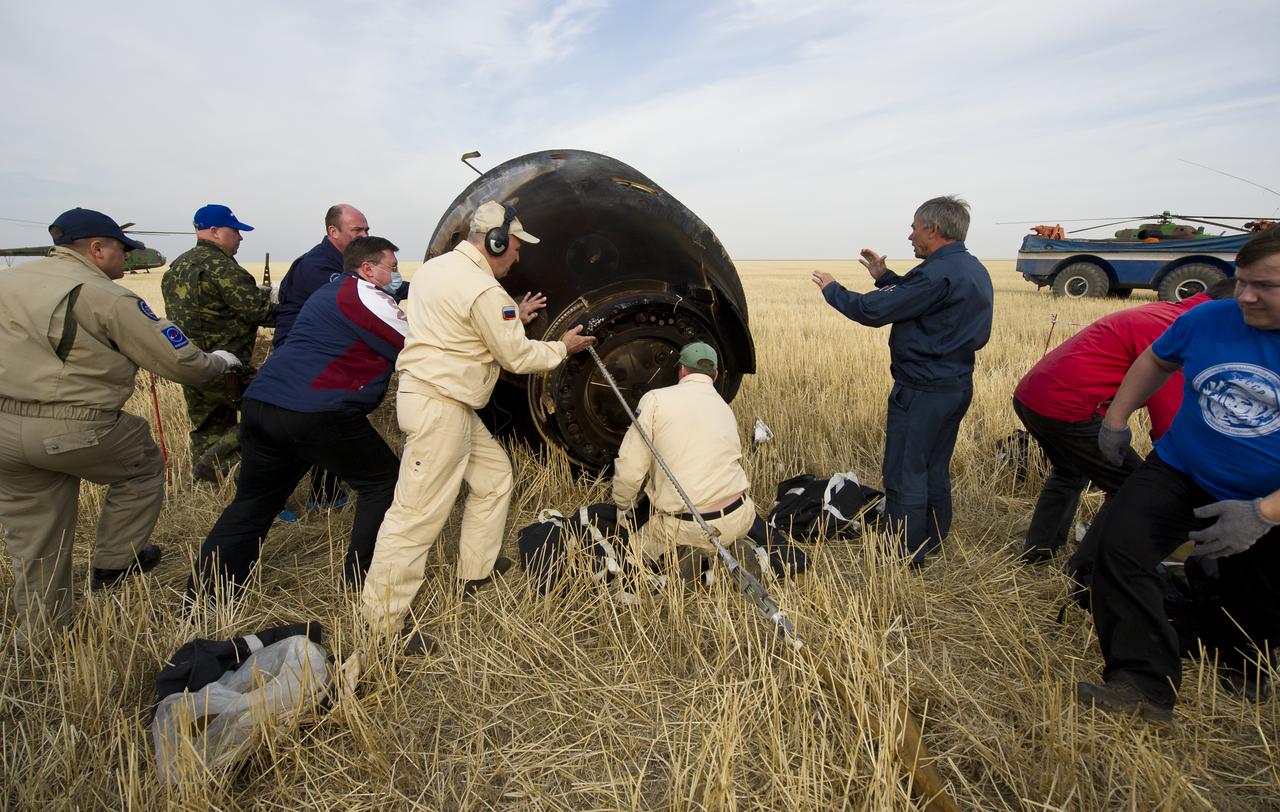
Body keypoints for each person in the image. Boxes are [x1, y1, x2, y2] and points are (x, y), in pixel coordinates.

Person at [359, 200, 595, 649]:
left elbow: (455, 324)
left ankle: (476, 571)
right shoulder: (484, 291)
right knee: (413, 519)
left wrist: (510, 319)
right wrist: (563, 347)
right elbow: (519, 358)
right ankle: (381, 629)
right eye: (515, 247)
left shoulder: (434, 269)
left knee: (493, 478)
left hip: (442, 401)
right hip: (440, 408)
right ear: (495, 241)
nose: (518, 257)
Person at [0, 208, 237, 646]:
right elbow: (178, 360)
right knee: (144, 462)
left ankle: (39, 633)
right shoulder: (104, 295)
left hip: (5, 427)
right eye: (120, 252)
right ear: (97, 249)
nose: (124, 260)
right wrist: (218, 363)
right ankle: (116, 561)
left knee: (34, 536)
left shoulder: (8, 281)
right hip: (74, 425)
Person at [1076, 228, 1280, 722]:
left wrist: (1263, 513)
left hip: (1266, 496)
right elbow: (1156, 359)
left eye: (1266, 286)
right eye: (1241, 281)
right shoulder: (1211, 318)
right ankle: (1141, 683)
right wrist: (1116, 417)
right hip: (1179, 468)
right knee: (1115, 549)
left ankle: (1247, 669)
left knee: (1254, 592)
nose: (1246, 296)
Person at [189, 237, 408, 596]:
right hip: (315, 410)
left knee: (254, 504)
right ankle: (362, 580)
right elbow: (415, 347)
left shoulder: (329, 292)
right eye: (393, 267)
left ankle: (207, 592)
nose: (397, 275)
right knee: (382, 482)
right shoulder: (367, 296)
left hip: (263, 403)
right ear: (368, 269)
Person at [812, 196, 993, 564]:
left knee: (905, 472)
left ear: (934, 229)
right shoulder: (970, 269)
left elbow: (871, 311)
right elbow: (920, 300)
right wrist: (885, 277)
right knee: (934, 469)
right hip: (955, 385)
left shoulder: (937, 273)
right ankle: (933, 541)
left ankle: (904, 555)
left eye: (914, 227)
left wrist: (833, 289)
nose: (910, 236)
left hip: (923, 390)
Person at [1013, 282, 1233, 563]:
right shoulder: (1180, 331)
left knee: (1069, 471)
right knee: (1130, 488)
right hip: (1069, 409)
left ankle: (1038, 553)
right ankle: (1088, 572)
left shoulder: (1165, 312)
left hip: (1031, 397)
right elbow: (1168, 416)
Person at [272, 205, 406, 514]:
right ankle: (277, 496)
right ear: (333, 232)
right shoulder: (316, 267)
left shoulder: (345, 264)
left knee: (329, 421)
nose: (365, 234)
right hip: (307, 358)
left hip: (328, 356)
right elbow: (359, 306)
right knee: (309, 426)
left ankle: (325, 493)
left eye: (366, 229)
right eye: (357, 231)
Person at [611, 342, 755, 573]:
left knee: (629, 555)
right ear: (715, 375)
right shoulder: (724, 408)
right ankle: (727, 551)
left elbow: (630, 467)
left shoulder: (655, 400)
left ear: (682, 371)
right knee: (721, 533)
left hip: (688, 524)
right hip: (740, 516)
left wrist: (622, 504)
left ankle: (679, 559)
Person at [161, 204, 275, 482]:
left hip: (190, 363)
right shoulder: (222, 267)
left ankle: (208, 487)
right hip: (226, 366)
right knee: (270, 413)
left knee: (208, 425)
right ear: (214, 232)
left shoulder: (177, 267)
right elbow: (259, 311)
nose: (240, 237)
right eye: (235, 231)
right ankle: (213, 464)